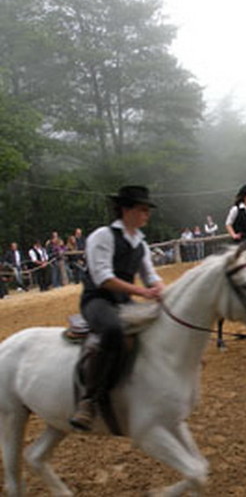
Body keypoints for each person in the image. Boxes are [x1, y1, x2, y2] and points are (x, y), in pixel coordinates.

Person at [69, 185, 164, 431]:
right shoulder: (102, 236)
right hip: (97, 300)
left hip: (123, 302)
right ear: (126, 210)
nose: (147, 215)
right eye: (142, 209)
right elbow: (103, 278)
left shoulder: (140, 243)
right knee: (112, 330)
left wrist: (163, 292)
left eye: (147, 210)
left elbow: (150, 275)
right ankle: (89, 400)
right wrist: (143, 292)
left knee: (157, 324)